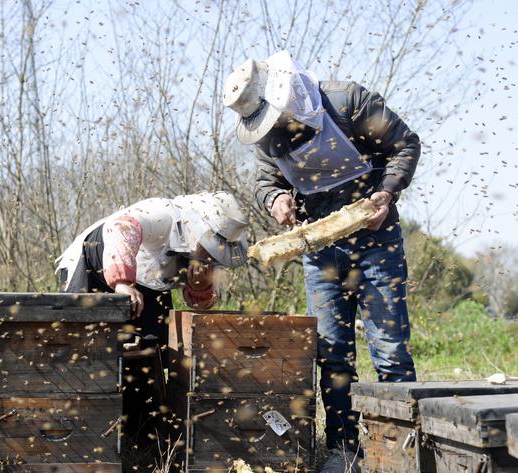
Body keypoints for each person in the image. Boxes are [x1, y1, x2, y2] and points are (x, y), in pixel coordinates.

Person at [223, 50, 420, 473]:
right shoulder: (267, 138)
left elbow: (405, 145)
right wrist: (275, 199)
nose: (275, 128)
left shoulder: (347, 102)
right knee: (332, 354)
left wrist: (385, 194)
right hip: (320, 251)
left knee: (389, 351)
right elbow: (264, 182)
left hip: (375, 239)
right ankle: (344, 450)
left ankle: (404, 452)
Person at [55, 191, 249, 346]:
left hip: (148, 284)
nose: (211, 256)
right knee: (85, 346)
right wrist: (122, 283)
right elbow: (121, 226)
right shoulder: (162, 214)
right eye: (211, 246)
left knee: (152, 348)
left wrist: (200, 288)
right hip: (96, 265)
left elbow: (200, 307)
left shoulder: (211, 256)